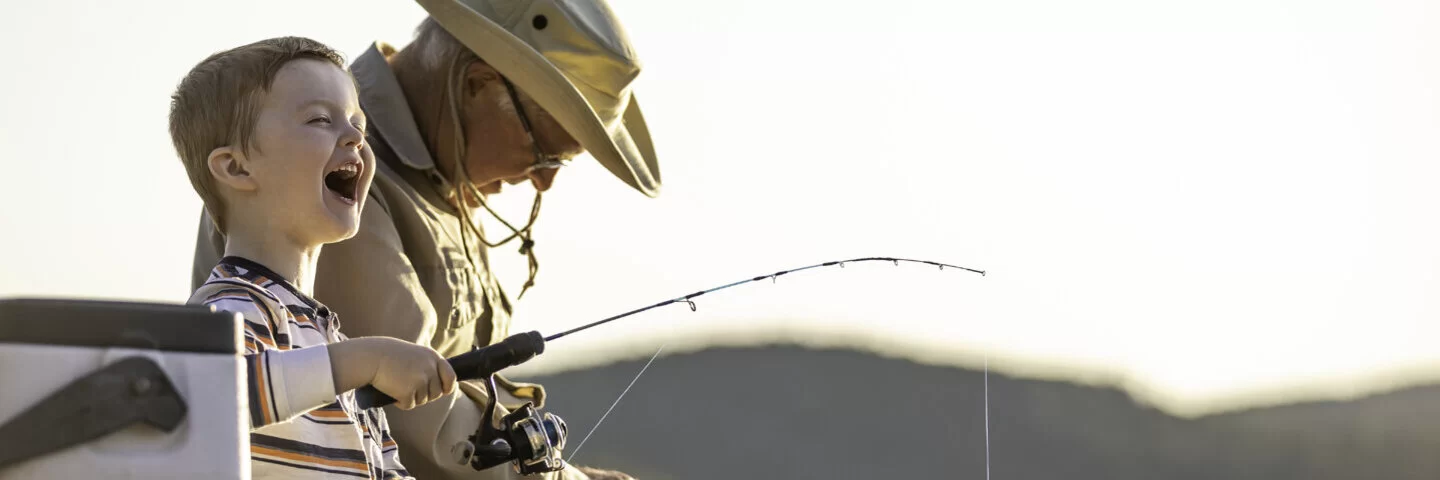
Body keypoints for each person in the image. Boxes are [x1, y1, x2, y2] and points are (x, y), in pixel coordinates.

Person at [191, 1, 659, 479]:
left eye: (360, 126)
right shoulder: (313, 194)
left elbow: (376, 443)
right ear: (477, 84)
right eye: (547, 154)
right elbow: (207, 395)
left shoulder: (423, 180)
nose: (542, 182)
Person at [171, 36, 459, 479]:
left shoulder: (331, 346)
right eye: (320, 120)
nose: (356, 137)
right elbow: (208, 397)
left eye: (357, 122)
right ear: (236, 168)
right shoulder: (227, 311)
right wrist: (369, 360)